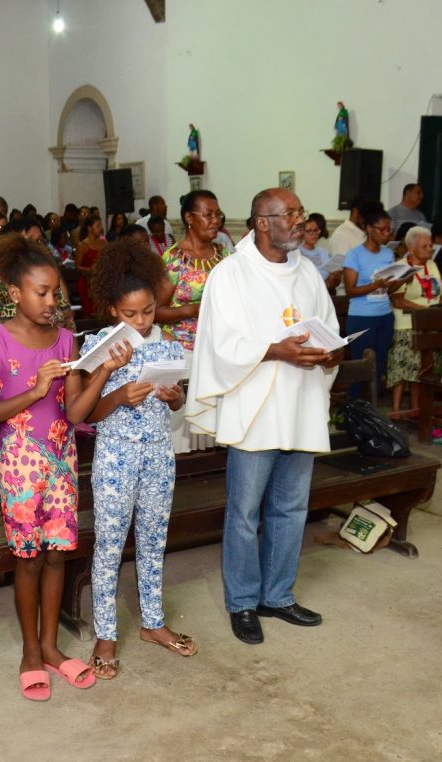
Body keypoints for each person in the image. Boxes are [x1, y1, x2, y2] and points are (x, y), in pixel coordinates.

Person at [185, 188, 340, 646]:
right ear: (262, 222)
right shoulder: (231, 275)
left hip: (301, 403)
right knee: (244, 514)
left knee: (291, 508)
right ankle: (243, 603)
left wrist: (329, 354)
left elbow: (325, 326)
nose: (299, 220)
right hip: (254, 407)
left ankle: (278, 595)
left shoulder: (308, 272)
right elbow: (220, 344)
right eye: (289, 214)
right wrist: (276, 349)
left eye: (299, 211)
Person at [0, 235, 105, 700]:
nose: (52, 301)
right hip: (20, 465)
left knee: (57, 555)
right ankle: (30, 649)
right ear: (15, 294)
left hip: (62, 462)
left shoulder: (67, 338)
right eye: (42, 292)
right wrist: (32, 390)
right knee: (27, 558)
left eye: (56, 293)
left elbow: (73, 414)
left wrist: (100, 370)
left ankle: (51, 645)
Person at [81, 239, 194, 681]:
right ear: (113, 309)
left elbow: (179, 403)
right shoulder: (97, 347)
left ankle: (153, 622)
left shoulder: (165, 344)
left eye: (147, 311)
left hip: (158, 456)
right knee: (109, 546)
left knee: (153, 541)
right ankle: (106, 633)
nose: (142, 321)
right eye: (131, 314)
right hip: (114, 458)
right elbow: (85, 414)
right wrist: (118, 395)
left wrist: (174, 395)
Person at [155, 190, 228, 453]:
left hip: (216, 350)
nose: (215, 220)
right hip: (181, 352)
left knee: (214, 429)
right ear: (189, 218)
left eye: (217, 214)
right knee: (184, 428)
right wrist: (193, 309)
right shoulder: (173, 259)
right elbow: (154, 312)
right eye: (207, 215)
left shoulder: (224, 257)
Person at [343, 209, 408, 399]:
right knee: (361, 367)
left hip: (384, 316)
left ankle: (372, 412)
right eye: (384, 229)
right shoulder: (355, 255)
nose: (388, 233)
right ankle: (354, 413)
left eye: (390, 229)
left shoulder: (388, 253)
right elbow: (350, 290)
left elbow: (389, 290)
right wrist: (376, 285)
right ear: (370, 229)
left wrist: (402, 279)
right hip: (361, 317)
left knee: (379, 366)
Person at [0, 234, 77, 339]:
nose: (51, 301)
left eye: (54, 294)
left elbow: (70, 326)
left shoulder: (53, 283)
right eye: (41, 293)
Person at [387, 227, 442, 414]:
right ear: (411, 248)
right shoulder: (401, 267)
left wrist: (441, 307)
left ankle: (417, 410)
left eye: (430, 245)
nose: (429, 249)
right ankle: (396, 411)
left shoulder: (432, 266)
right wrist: (424, 310)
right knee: (402, 372)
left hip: (429, 325)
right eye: (424, 246)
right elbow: (397, 300)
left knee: (421, 372)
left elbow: (440, 294)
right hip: (406, 326)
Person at [328, 196, 382, 272]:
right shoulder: (341, 235)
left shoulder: (367, 231)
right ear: (355, 212)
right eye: (367, 217)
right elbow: (344, 271)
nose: (370, 221)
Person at [75, 214, 107, 314]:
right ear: (89, 228)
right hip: (87, 282)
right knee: (89, 311)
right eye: (97, 226)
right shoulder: (82, 245)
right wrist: (89, 270)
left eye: (101, 225)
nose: (100, 228)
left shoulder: (103, 243)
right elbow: (77, 267)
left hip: (101, 281)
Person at [300, 216, 339, 290]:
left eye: (316, 230)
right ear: (301, 233)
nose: (314, 234)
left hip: (323, 294)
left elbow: (333, 284)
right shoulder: (296, 253)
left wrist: (335, 277)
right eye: (309, 231)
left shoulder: (324, 252)